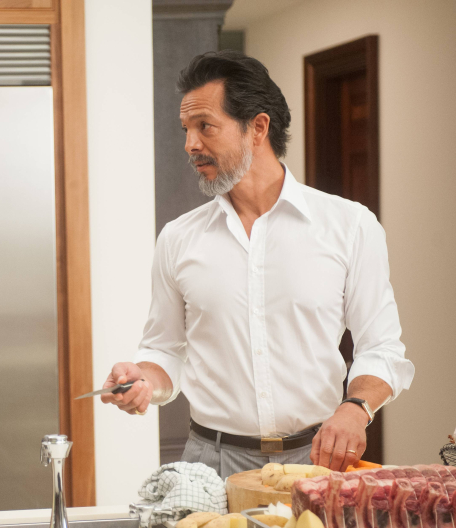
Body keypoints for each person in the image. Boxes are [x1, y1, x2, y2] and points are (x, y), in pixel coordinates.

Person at [101, 51, 414, 479]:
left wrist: (355, 409)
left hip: (317, 462)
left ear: (258, 128)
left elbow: (382, 349)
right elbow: (164, 350)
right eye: (186, 129)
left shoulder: (350, 226)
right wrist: (143, 378)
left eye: (205, 126)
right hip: (210, 465)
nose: (190, 144)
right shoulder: (178, 238)